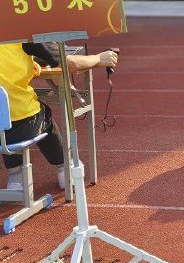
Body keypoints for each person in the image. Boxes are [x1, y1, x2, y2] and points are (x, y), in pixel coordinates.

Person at [0, 42, 118, 191]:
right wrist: (99, 58)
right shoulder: (24, 35)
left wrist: (29, 64)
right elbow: (69, 62)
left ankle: (15, 177)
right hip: (22, 127)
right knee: (38, 115)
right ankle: (65, 169)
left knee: (4, 117)